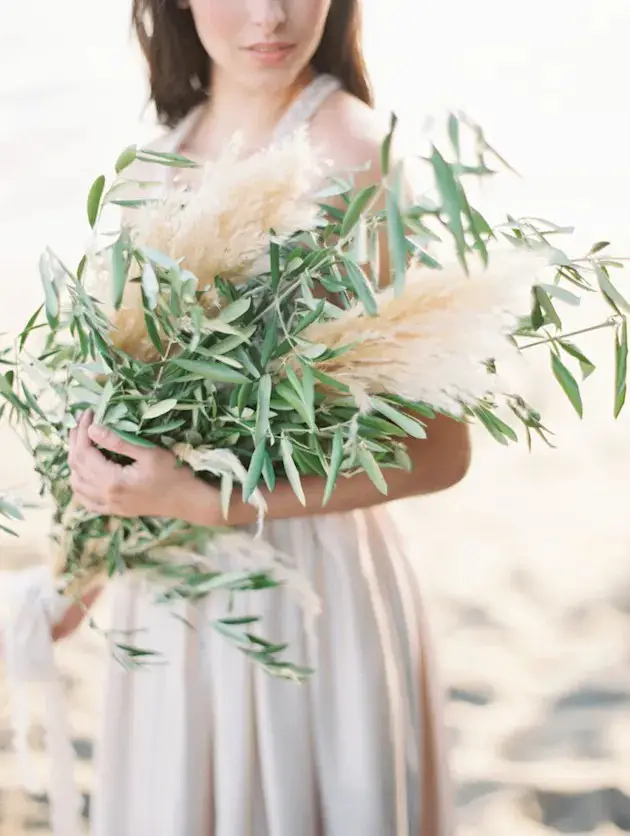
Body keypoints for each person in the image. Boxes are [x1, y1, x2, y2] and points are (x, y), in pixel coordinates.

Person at [7, 2, 472, 834]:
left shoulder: (357, 155)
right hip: (170, 599)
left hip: (306, 594)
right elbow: (137, 411)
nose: (270, 15)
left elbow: (441, 453)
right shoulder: (157, 157)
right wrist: (79, 570)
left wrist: (210, 502)